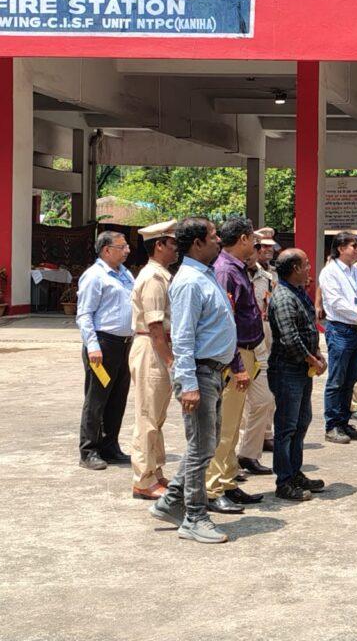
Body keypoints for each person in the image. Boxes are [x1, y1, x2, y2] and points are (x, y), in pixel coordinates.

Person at [149, 218, 234, 544]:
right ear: (197, 243)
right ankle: (195, 517)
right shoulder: (189, 282)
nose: (218, 241)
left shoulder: (204, 276)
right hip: (199, 373)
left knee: (205, 445)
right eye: (213, 237)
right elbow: (182, 338)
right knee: (200, 450)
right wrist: (189, 384)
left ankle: (171, 501)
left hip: (212, 372)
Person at [205, 217, 264, 514]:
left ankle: (228, 481)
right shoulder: (226, 271)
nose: (255, 244)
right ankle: (212, 488)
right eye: (252, 238)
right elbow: (225, 324)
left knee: (234, 421)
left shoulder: (237, 268)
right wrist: (237, 364)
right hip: (234, 355)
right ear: (243, 238)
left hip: (246, 353)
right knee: (225, 426)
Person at [267, 248, 327, 502]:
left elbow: (307, 329)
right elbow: (290, 338)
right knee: (287, 426)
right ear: (294, 269)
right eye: (306, 264)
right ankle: (284, 481)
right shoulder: (283, 297)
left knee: (301, 422)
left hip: (302, 369)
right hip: (287, 369)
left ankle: (295, 472)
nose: (309, 268)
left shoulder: (298, 292)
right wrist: (313, 359)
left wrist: (317, 354)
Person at [76, 230, 135, 471]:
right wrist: (92, 346)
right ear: (106, 250)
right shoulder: (94, 276)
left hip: (124, 344)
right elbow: (84, 314)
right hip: (103, 345)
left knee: (118, 398)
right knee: (96, 399)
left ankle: (110, 446)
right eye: (122, 247)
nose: (127, 250)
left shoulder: (125, 274)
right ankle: (89, 450)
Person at [128, 220, 178, 499]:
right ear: (159, 245)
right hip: (152, 346)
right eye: (172, 244)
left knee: (157, 415)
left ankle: (155, 471)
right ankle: (143, 479)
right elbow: (155, 324)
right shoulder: (153, 278)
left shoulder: (162, 275)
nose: (176, 250)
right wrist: (170, 360)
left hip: (156, 345)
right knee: (147, 415)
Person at [319, 233, 357, 444]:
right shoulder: (330, 272)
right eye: (354, 246)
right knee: (337, 380)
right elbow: (336, 302)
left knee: (351, 380)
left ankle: (343, 421)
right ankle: (332, 425)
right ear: (340, 248)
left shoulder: (356, 272)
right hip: (341, 329)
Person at [237, 226, 278, 477]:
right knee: (239, 403)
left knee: (264, 398)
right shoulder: (232, 274)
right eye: (255, 247)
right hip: (240, 341)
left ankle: (249, 453)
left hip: (263, 335)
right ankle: (234, 457)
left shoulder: (267, 276)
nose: (255, 253)